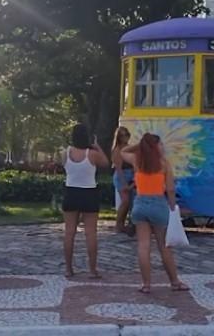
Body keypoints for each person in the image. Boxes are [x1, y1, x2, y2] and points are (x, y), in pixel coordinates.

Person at [121, 133, 189, 294]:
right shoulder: (164, 164)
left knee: (143, 246)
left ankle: (146, 284)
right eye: (159, 144)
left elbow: (123, 151)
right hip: (158, 204)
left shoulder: (137, 161)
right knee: (164, 247)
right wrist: (173, 209)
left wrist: (140, 145)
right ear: (155, 147)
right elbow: (171, 190)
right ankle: (174, 281)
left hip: (140, 204)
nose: (162, 147)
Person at [62, 123, 109, 278]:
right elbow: (106, 163)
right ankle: (92, 270)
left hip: (71, 191)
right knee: (91, 233)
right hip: (89, 192)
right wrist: (97, 146)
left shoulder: (65, 153)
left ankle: (68, 269)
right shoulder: (92, 154)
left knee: (69, 233)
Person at [111, 126, 135, 233]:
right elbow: (119, 168)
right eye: (122, 136)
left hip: (131, 174)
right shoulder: (117, 150)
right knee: (125, 201)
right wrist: (124, 183)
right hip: (122, 175)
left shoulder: (130, 148)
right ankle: (118, 224)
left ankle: (124, 224)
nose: (125, 137)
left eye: (126, 134)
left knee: (130, 201)